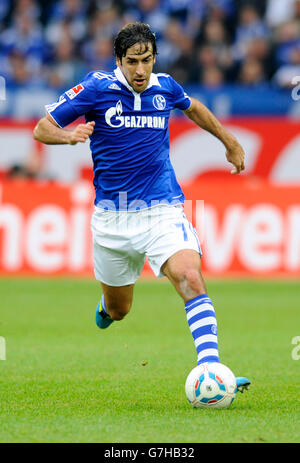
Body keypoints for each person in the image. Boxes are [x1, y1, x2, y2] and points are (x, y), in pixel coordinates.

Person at [33, 22, 250, 394]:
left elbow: (193, 107)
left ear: (154, 60)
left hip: (161, 210)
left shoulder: (165, 87)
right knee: (119, 310)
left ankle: (210, 369)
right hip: (112, 218)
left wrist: (228, 141)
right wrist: (69, 136)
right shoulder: (97, 88)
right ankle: (106, 306)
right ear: (119, 59)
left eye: (146, 60)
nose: (140, 70)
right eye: (132, 61)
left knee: (190, 277)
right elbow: (42, 127)